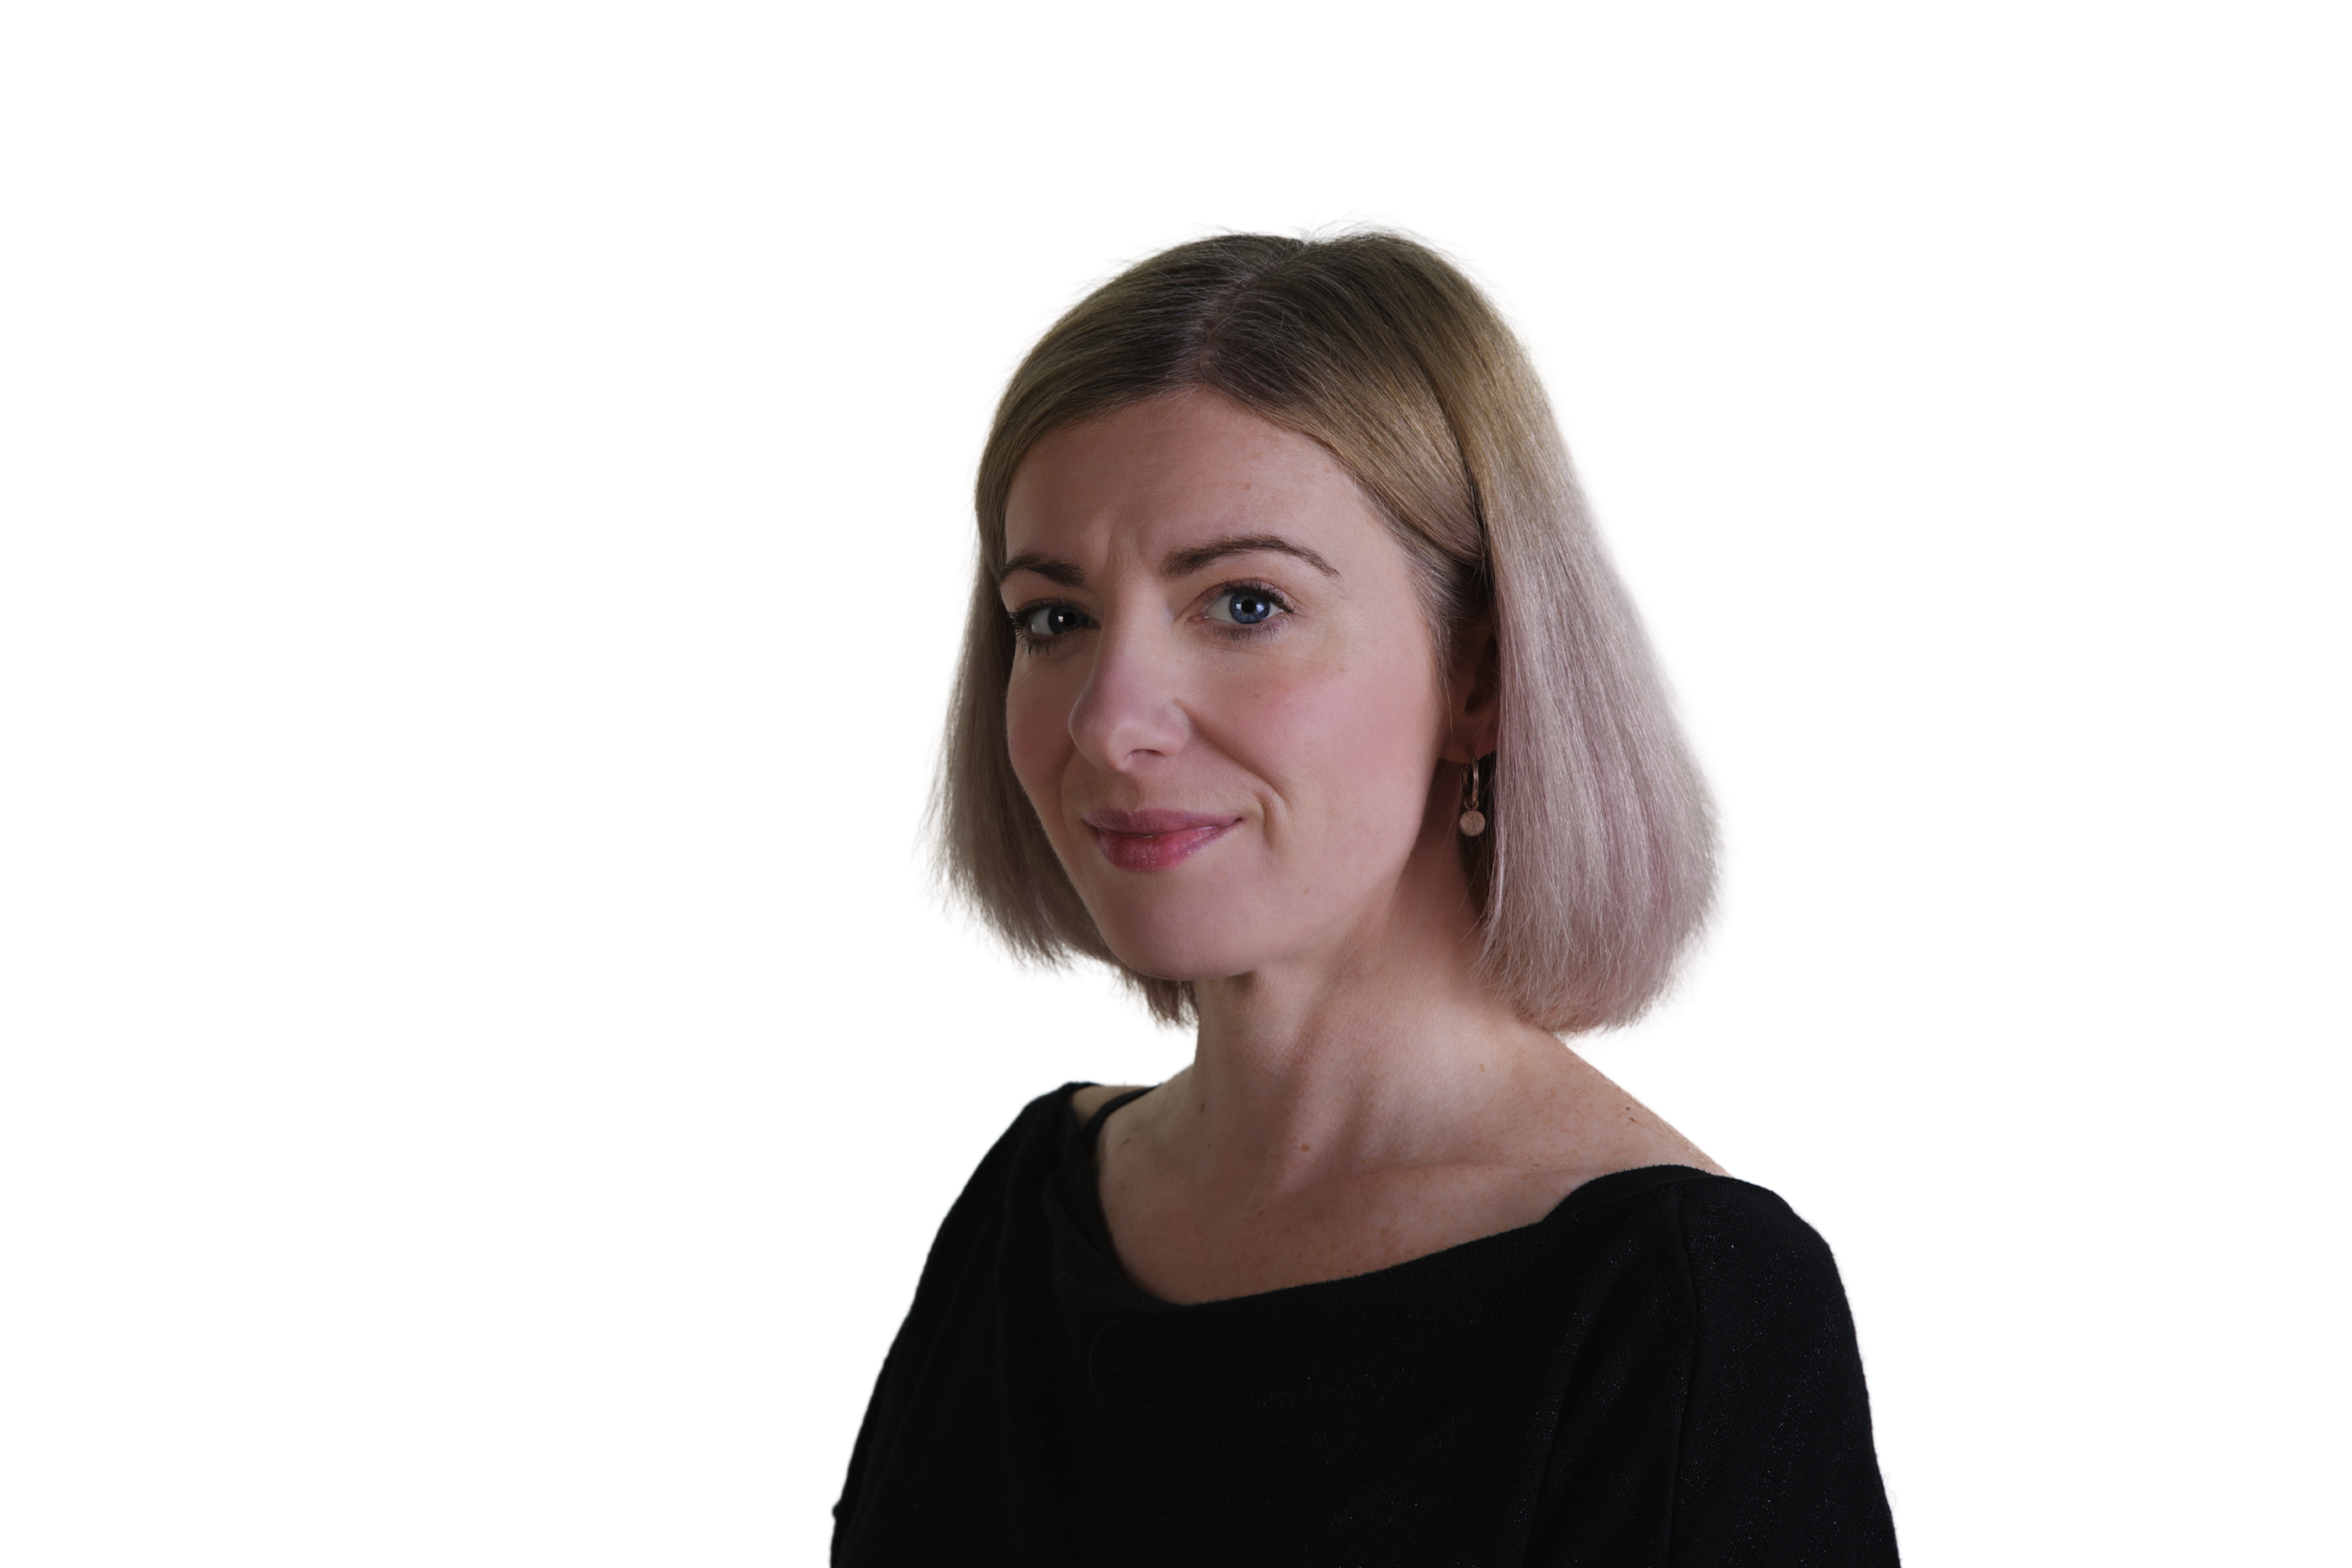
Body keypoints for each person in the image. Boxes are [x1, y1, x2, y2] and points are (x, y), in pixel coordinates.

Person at [838, 213, 1901, 1565]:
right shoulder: (1025, 1205)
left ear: (1481, 676)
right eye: (1057, 616)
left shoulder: (1683, 1300)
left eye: (1243, 604)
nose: (1109, 722)